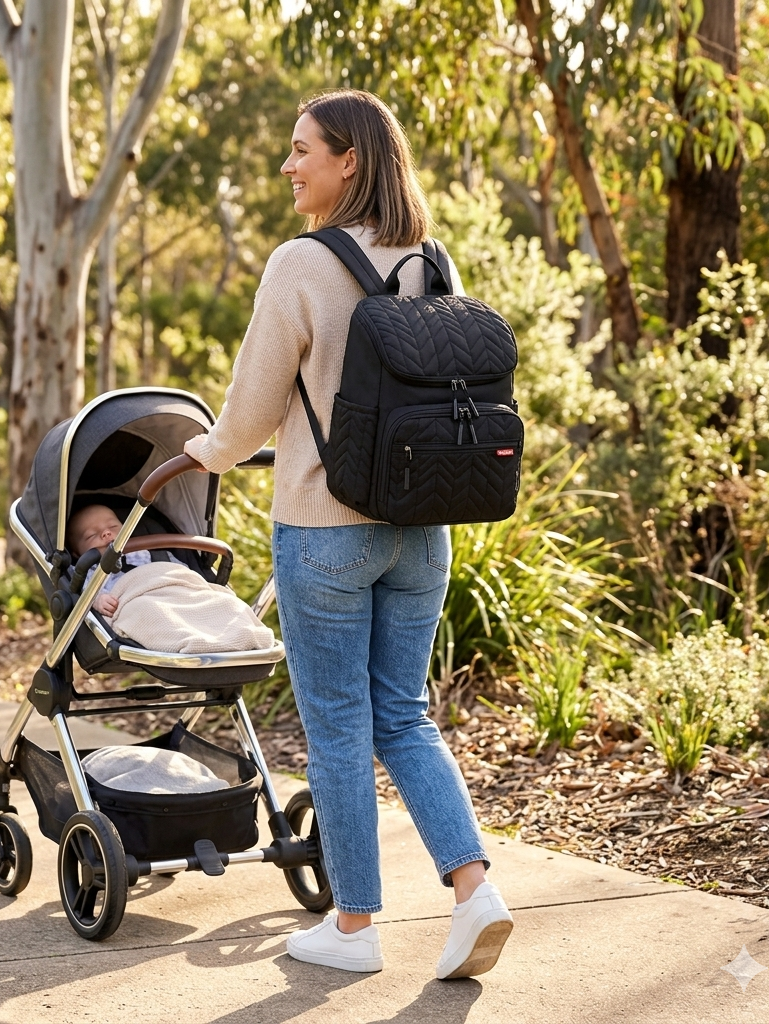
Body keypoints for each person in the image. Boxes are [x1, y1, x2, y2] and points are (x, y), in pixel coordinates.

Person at [183, 90, 513, 979]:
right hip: (425, 527)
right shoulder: (431, 258)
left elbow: (250, 413)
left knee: (336, 727)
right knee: (404, 716)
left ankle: (355, 927)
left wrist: (204, 450)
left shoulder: (301, 262)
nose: (288, 166)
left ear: (349, 160)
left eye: (302, 150)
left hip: (326, 529)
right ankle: (475, 891)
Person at [67, 504, 274, 654]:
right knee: (149, 610)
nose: (106, 533)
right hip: (135, 601)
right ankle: (192, 641)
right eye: (91, 535)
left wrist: (193, 586)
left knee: (220, 600)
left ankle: (243, 633)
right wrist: (97, 600)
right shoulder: (87, 571)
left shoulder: (152, 550)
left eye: (113, 526)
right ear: (76, 553)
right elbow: (82, 593)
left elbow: (181, 573)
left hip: (175, 589)